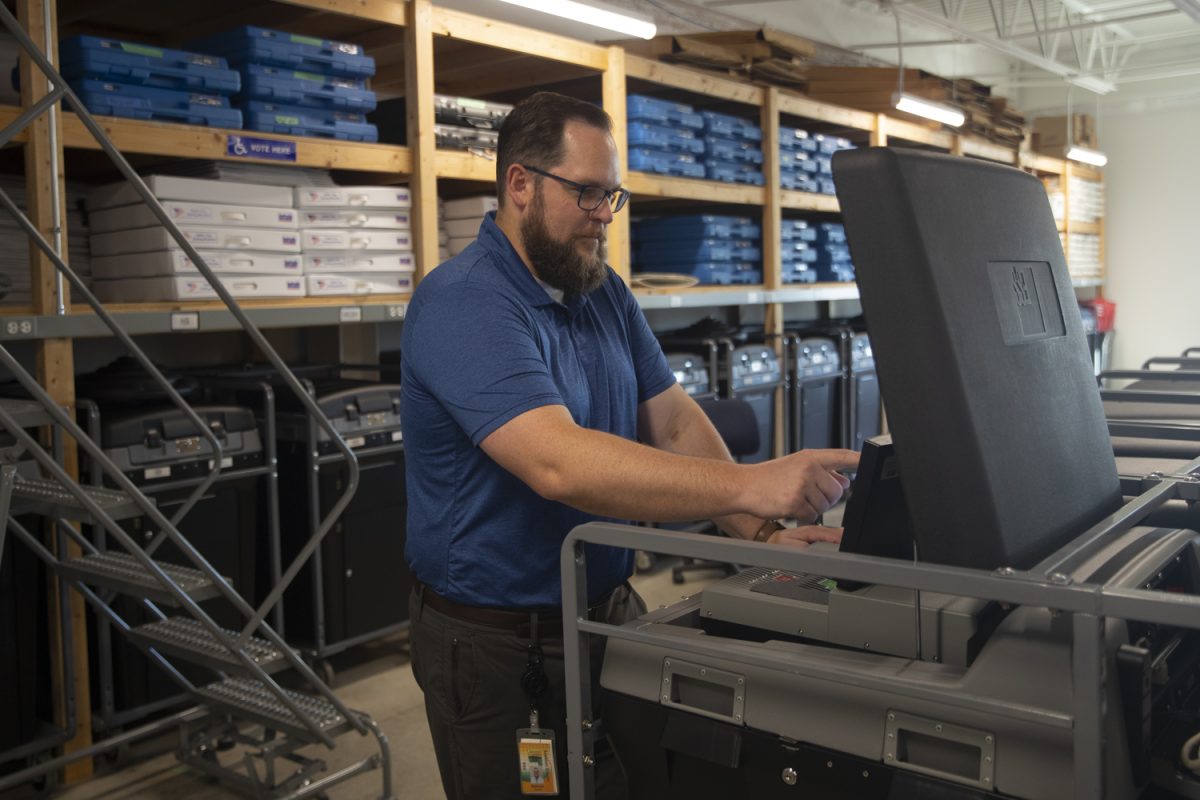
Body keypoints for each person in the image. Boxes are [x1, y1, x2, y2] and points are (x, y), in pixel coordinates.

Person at [400, 91, 860, 800]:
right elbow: (558, 462)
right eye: (585, 193)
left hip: (607, 614)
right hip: (494, 650)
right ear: (519, 184)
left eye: (610, 195)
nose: (603, 216)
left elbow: (671, 420)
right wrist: (752, 485)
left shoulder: (600, 291)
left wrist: (759, 535)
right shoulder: (464, 302)